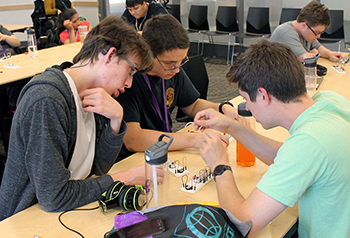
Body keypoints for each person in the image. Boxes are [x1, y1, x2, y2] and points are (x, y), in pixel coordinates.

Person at [0, 15, 156, 221]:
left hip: (67, 213)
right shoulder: (47, 99)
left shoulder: (95, 96)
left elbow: (97, 168)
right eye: (131, 70)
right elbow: (53, 197)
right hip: (25, 220)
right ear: (109, 55)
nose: (129, 83)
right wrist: (124, 178)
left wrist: (116, 121)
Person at [193, 39, 350, 237]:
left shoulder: (308, 145)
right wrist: (232, 126)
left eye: (245, 99)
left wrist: (220, 166)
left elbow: (243, 225)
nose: (247, 108)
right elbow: (289, 157)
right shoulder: (328, 101)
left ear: (263, 95)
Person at [115, 14, 236, 161]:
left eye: (181, 61)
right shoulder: (127, 80)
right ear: (148, 53)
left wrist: (223, 108)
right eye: (170, 63)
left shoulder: (172, 72)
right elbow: (133, 139)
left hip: (165, 149)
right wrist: (193, 139)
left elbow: (193, 105)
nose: (177, 69)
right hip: (136, 158)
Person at [270, 1, 344, 62]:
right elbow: (306, 59)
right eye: (317, 32)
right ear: (304, 25)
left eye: (320, 33)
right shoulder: (287, 32)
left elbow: (318, 48)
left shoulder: (308, 33)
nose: (318, 36)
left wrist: (330, 54)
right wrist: (313, 53)